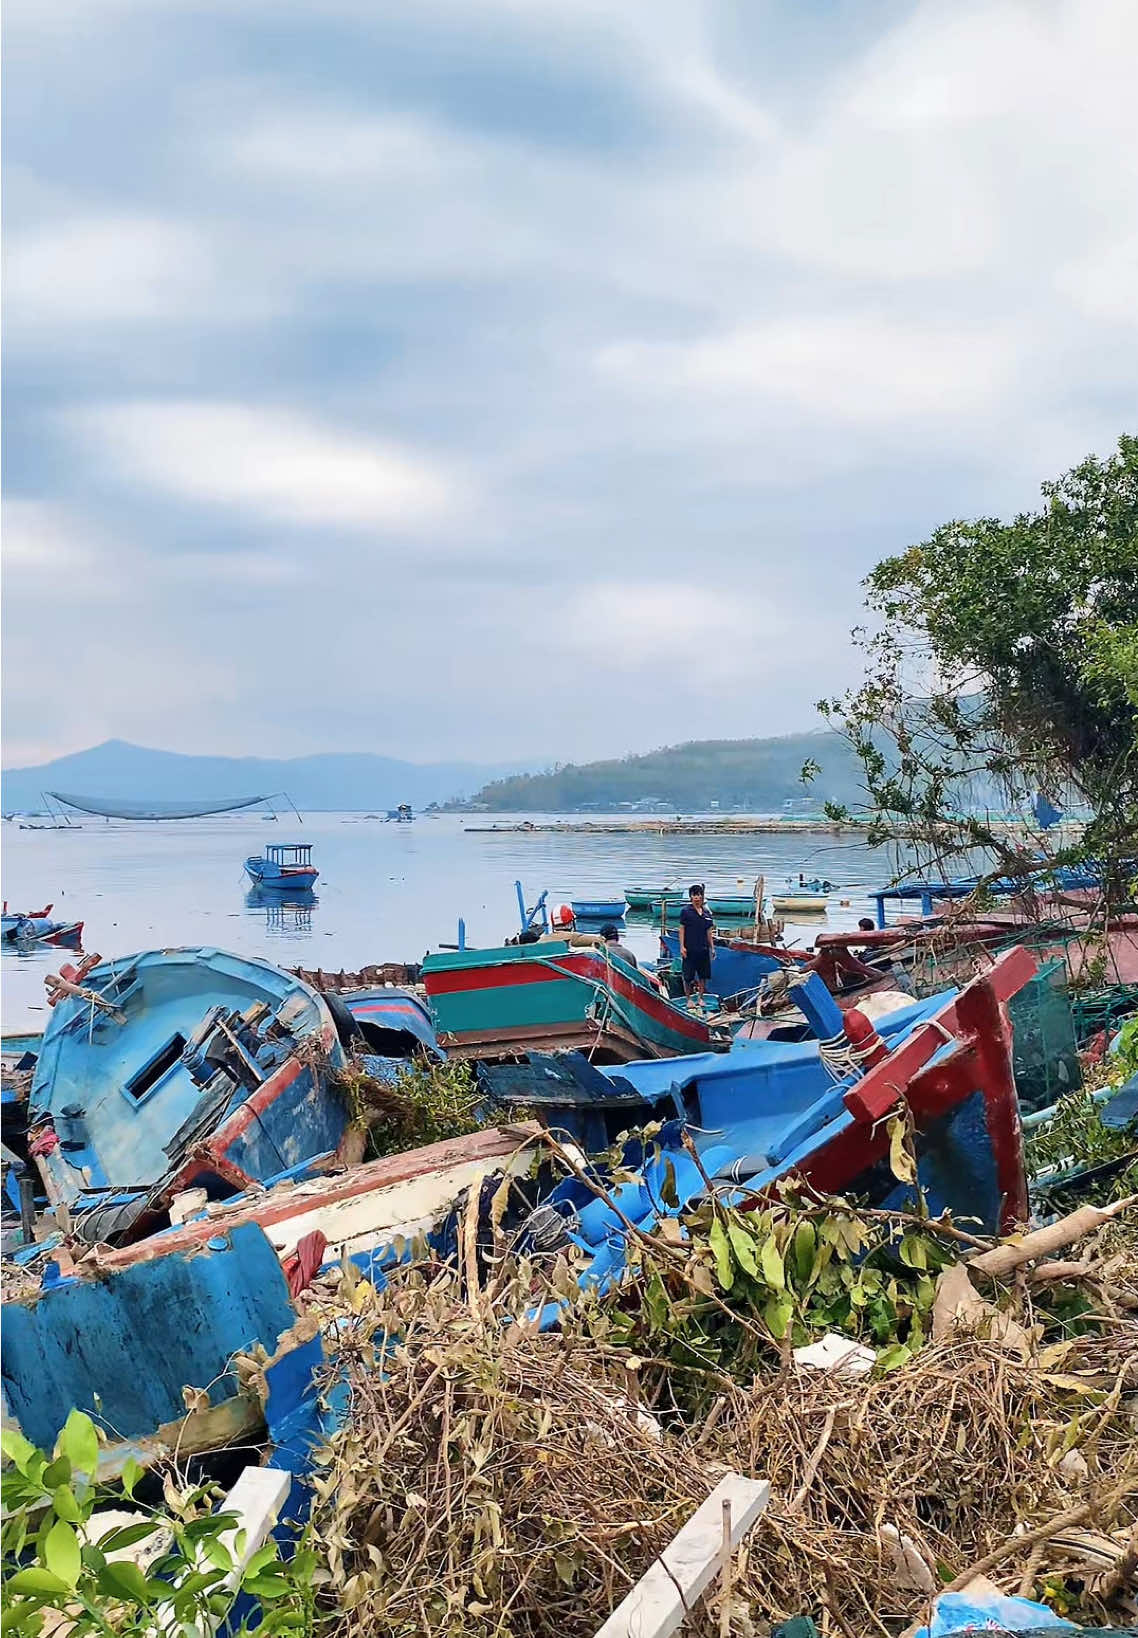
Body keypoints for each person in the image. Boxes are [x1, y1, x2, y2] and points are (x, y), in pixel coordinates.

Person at [678, 883, 714, 999]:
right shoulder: (686, 911)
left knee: (703, 975)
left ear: (702, 897)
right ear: (691, 897)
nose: (697, 898)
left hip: (703, 949)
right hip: (690, 949)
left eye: (699, 895)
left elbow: (709, 931)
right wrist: (682, 946)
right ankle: (688, 999)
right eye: (695, 895)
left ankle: (700, 997)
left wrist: (712, 948)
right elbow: (682, 929)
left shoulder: (707, 913)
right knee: (688, 976)